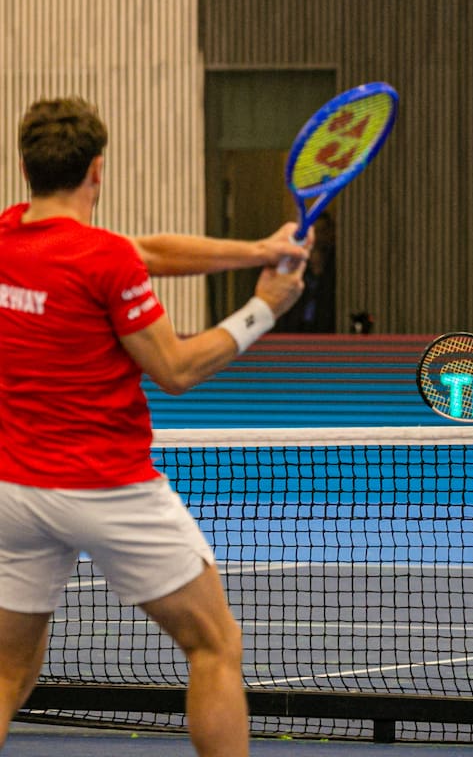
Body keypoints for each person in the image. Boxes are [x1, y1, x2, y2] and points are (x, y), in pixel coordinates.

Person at [0, 97, 310, 756]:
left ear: (26, 167)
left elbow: (144, 252)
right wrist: (263, 307)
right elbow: (174, 370)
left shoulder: (7, 237)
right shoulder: (103, 259)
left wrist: (260, 247)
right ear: (98, 171)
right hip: (105, 487)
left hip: (14, 494)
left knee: (5, 674)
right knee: (214, 644)